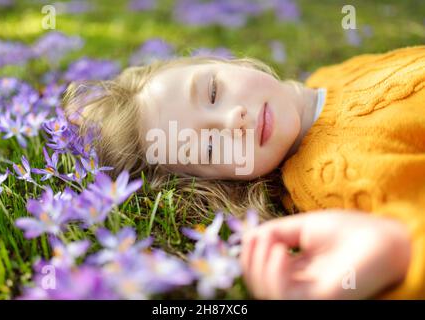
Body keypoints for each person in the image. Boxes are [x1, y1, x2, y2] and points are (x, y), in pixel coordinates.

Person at [63, 45, 425, 299]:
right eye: (208, 147)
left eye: (214, 91)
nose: (230, 120)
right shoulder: (330, 177)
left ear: (236, 64)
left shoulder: (335, 75)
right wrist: (392, 251)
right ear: (226, 181)